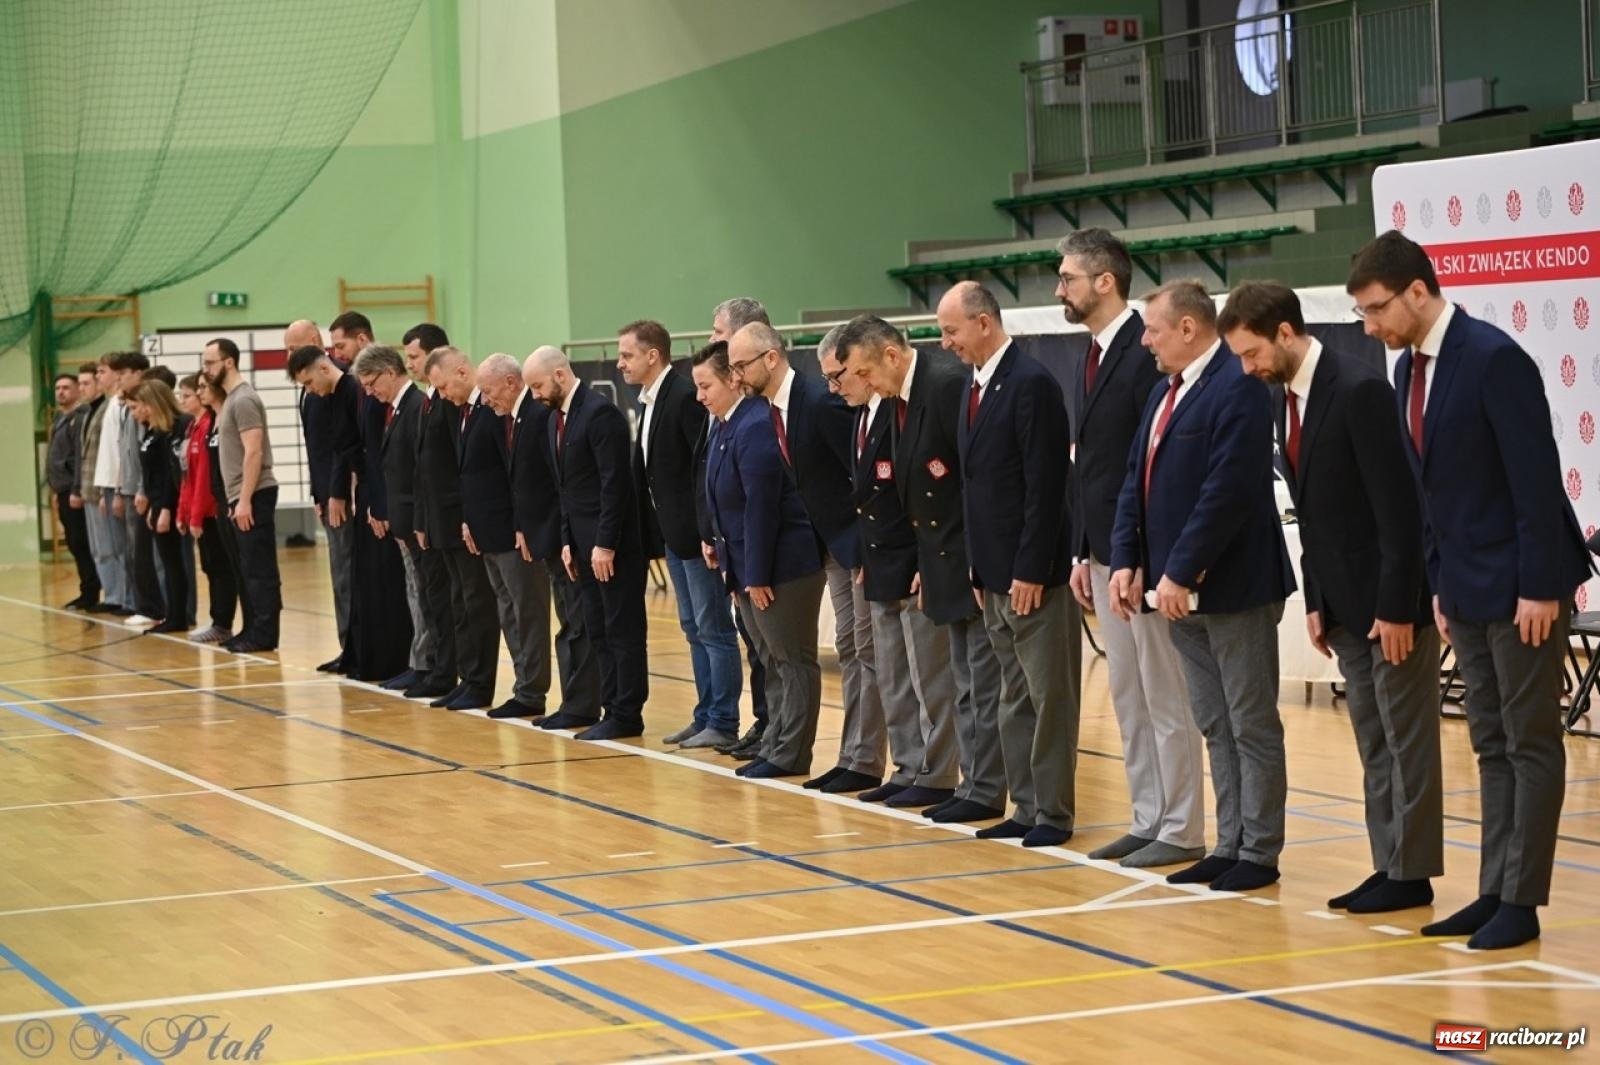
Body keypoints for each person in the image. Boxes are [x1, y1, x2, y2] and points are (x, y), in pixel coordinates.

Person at [1350, 230, 1592, 948]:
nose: (1370, 327)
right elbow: (1428, 494)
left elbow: (1535, 483)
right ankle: (1494, 887)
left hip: (1523, 585)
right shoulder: (1407, 373)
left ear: (1418, 291)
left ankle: (1523, 899)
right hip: (1465, 587)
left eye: (1376, 309)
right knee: (1488, 740)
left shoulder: (1493, 359)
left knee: (1530, 740)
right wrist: (1437, 586)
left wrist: (1541, 588)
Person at [1222, 280, 1443, 912]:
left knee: (1408, 743)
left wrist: (1399, 606)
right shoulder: (1282, 399)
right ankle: (1390, 863)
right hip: (1342, 605)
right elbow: (1314, 515)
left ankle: (1413, 871)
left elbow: (1401, 512)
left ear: (1286, 333)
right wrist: (1316, 600)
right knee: (1374, 742)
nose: (1247, 367)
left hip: (1389, 603)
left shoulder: (1359, 390)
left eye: (1252, 353)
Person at [1109, 281, 1294, 892]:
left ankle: (1259, 851)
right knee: (1215, 722)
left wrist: (1180, 571)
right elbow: (1136, 478)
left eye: (1154, 330)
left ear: (1188, 328)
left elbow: (1229, 490)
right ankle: (1230, 840)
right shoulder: (1167, 392)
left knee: (1250, 721)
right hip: (1173, 590)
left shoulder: (1237, 385)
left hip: (1232, 585)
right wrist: (1127, 560)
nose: (1145, 340)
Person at [1059, 229, 1205, 870]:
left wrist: (1134, 554)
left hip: (1141, 555)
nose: (1059, 288)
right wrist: (1082, 552)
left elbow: (1144, 465)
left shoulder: (1142, 350)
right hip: (1105, 552)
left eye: (1067, 277)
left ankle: (1182, 825)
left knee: (1165, 695)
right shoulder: (1090, 354)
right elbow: (1089, 467)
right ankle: (1148, 816)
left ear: (1104, 281)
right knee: (1127, 694)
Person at [839, 315, 1008, 824]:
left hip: (961, 555)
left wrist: (951, 555)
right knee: (961, 678)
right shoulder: (899, 399)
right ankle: (972, 782)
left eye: (865, 372)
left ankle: (983, 785)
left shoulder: (945, 385)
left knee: (976, 681)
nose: (864, 384)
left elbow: (965, 481)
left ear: (890, 355)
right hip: (933, 555)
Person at [943, 281, 1080, 849]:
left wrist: (1030, 567)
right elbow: (977, 488)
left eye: (951, 330)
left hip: (1032, 576)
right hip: (992, 574)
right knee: (1012, 696)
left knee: (1048, 698)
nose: (945, 341)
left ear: (983, 322)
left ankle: (1052, 811)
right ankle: (1024, 804)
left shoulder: (1031, 384)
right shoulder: (974, 387)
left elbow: (1045, 488)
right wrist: (977, 567)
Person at [728, 321, 884, 792]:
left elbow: (859, 472)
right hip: (831, 546)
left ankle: (867, 758)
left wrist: (861, 551)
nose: (736, 377)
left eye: (741, 366)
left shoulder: (817, 400)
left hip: (853, 547)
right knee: (851, 649)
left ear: (770, 358)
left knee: (866, 651)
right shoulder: (779, 407)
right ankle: (853, 755)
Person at [823, 322, 959, 801]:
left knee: (931, 676)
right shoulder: (864, 415)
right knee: (894, 675)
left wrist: (929, 556)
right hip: (878, 561)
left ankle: (938, 771)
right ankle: (907, 766)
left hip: (913, 557)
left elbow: (926, 491)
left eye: (846, 375)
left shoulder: (909, 403)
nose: (839, 387)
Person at [695, 340, 825, 778]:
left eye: (705, 385)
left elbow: (761, 505)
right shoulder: (726, 427)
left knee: (792, 660)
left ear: (733, 379)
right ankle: (775, 742)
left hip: (779, 566)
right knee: (771, 660)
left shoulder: (754, 425)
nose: (700, 396)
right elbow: (722, 500)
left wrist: (756, 573)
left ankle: (792, 752)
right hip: (747, 567)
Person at [619, 320, 739, 749]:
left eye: (628, 355)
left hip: (697, 537)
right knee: (693, 626)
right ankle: (705, 712)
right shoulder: (651, 400)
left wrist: (707, 531)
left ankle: (723, 719)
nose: (620, 364)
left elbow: (702, 467)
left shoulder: (685, 396)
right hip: (674, 536)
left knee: (714, 629)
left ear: (653, 355)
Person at [525, 345, 649, 740]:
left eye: (538, 385)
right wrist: (566, 540)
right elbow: (565, 490)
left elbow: (616, 485)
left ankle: (627, 712)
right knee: (597, 629)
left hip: (611, 548)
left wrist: (605, 543)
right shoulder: (553, 421)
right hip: (579, 546)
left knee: (622, 630)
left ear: (560, 375)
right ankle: (610, 707)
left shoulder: (600, 414)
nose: (535, 396)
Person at [353, 343, 450, 698]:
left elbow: (421, 472)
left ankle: (435, 667)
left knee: (429, 595)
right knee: (418, 594)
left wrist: (415, 520)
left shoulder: (416, 407)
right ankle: (423, 664)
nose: (369, 391)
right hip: (404, 519)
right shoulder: (394, 409)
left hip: (417, 520)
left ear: (390, 373)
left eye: (371, 382)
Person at [415, 346, 499, 711]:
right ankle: (468, 677)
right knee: (460, 602)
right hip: (445, 520)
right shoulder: (457, 407)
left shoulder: (475, 410)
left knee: (476, 601)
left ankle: (480, 680)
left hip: (465, 521)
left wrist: (466, 517)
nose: (443, 394)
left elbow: (461, 470)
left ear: (463, 372)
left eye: (445, 385)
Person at [476, 353, 558, 719]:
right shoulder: (506, 419)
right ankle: (524, 685)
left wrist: (527, 527)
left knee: (529, 611)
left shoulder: (537, 416)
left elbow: (545, 481)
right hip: (512, 528)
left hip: (534, 532)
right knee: (511, 610)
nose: (485, 399)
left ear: (511, 382)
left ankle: (532, 689)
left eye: (489, 390)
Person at [708, 297, 772, 756]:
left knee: (776, 653)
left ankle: (778, 731)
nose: (713, 341)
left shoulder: (757, 411)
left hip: (763, 553)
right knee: (755, 647)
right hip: (731, 545)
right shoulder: (729, 409)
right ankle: (765, 723)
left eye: (718, 333)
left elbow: (760, 495)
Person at [288, 320, 362, 674]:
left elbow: (340, 444)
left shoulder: (339, 385)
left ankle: (354, 646)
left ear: (316, 345)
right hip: (325, 493)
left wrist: (335, 491)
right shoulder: (309, 389)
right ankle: (345, 644)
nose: (290, 355)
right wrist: (317, 493)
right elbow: (314, 449)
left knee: (348, 572)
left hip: (342, 496)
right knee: (338, 573)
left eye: (295, 348)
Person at [203, 337, 281, 653]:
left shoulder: (244, 400)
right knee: (245, 568)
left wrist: (245, 499)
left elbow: (254, 452)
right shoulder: (230, 400)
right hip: (238, 495)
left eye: (210, 363)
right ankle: (251, 629)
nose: (205, 369)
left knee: (259, 568)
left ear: (229, 362)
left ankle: (264, 633)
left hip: (254, 493)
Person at [127, 379, 192, 634]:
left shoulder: (171, 430)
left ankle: (179, 616)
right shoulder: (152, 431)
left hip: (169, 503)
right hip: (156, 502)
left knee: (174, 562)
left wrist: (164, 507)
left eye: (139, 405)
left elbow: (168, 474)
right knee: (167, 560)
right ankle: (172, 614)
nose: (136, 411)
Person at [176, 374, 234, 644]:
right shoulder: (194, 427)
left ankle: (222, 623)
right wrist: (183, 512)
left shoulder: (210, 424)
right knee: (210, 567)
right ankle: (216, 621)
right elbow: (187, 477)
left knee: (220, 567)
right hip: (199, 512)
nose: (186, 398)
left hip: (211, 511)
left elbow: (204, 480)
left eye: (191, 392)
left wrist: (197, 514)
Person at [47, 371, 100, 610]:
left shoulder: (80, 418)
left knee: (81, 542)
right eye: (58, 388)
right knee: (74, 542)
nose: (61, 392)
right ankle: (86, 590)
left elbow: (80, 457)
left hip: (73, 490)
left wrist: (76, 490)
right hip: (62, 490)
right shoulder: (59, 419)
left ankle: (91, 592)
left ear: (78, 391)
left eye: (66, 387)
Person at [86, 353, 131, 616]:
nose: (98, 377)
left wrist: (114, 489)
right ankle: (119, 595)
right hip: (105, 484)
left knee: (123, 548)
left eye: (102, 372)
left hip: (117, 486)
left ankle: (127, 597)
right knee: (109, 547)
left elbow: (120, 451)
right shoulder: (111, 405)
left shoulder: (116, 405)